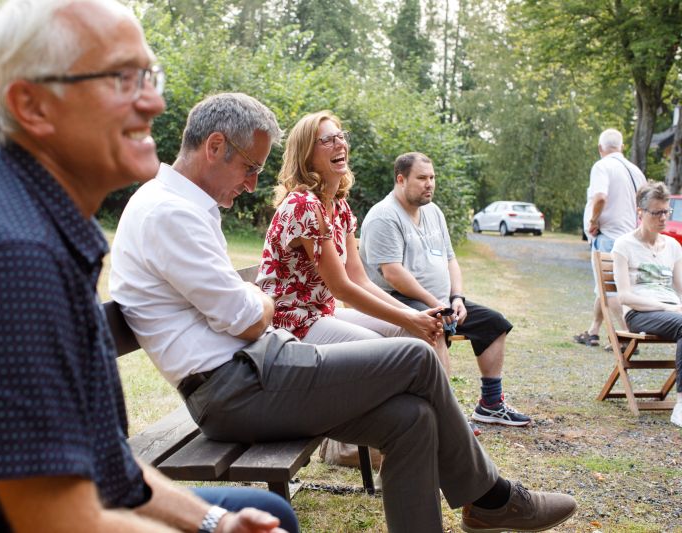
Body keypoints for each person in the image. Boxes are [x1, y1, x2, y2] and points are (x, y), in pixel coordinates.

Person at [0, 1, 295, 532]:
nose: (155, 102)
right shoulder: (6, 256)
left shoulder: (27, 217)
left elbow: (107, 463)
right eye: (123, 78)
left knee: (268, 513)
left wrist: (214, 521)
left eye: (150, 75)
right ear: (32, 106)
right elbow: (59, 522)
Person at [110, 92, 577, 532]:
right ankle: (492, 497)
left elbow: (249, 303)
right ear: (215, 146)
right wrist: (261, 301)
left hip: (260, 369)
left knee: (413, 419)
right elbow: (249, 317)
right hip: (238, 387)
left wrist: (256, 299)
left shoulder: (185, 207)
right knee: (415, 358)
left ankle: (482, 505)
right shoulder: (169, 213)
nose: (253, 183)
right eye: (250, 167)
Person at [359, 152, 531, 428]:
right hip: (397, 301)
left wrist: (457, 297)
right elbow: (392, 274)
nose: (430, 184)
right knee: (434, 326)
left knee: (494, 323)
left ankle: (490, 404)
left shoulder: (433, 212)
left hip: (443, 300)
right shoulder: (384, 216)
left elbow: (450, 258)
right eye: (422, 178)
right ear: (401, 179)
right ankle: (446, 415)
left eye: (432, 178)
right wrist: (436, 304)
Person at [256, 111, 442, 346]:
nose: (339, 144)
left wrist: (415, 316)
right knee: (390, 347)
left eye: (340, 136)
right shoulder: (303, 205)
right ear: (306, 155)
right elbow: (341, 288)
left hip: (322, 314)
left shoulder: (339, 206)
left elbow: (359, 279)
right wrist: (409, 317)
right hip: (291, 322)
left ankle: (438, 384)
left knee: (412, 333)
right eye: (327, 140)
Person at [612, 182, 682, 427]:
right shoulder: (624, 245)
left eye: (666, 211)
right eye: (656, 212)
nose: (663, 218)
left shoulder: (673, 246)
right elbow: (624, 297)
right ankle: (680, 407)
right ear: (640, 213)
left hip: (673, 313)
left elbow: (681, 288)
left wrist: (675, 307)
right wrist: (667, 308)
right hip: (640, 313)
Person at [575, 128, 647, 349]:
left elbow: (600, 196)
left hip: (608, 237)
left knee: (611, 290)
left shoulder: (602, 166)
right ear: (622, 147)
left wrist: (594, 221)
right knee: (605, 287)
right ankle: (593, 331)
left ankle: (628, 336)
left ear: (600, 148)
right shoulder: (636, 172)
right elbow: (643, 205)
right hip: (631, 239)